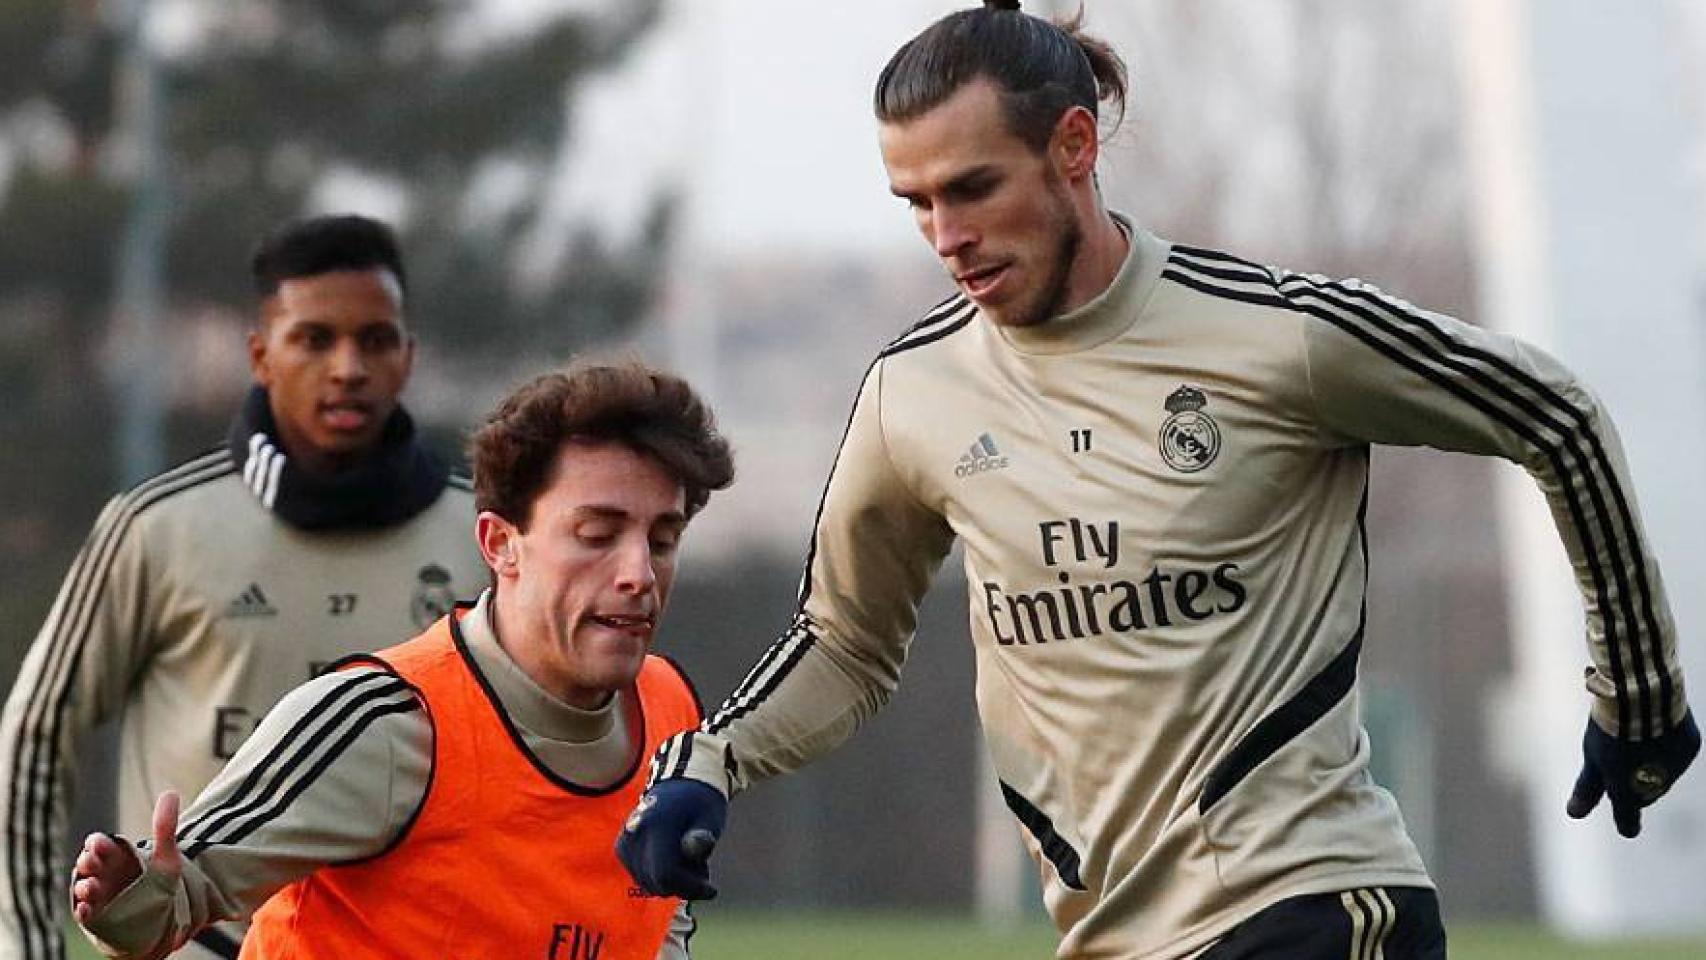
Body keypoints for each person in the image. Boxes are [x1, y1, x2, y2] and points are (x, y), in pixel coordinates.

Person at [617, 2, 1700, 958]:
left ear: (1074, 145)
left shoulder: (1279, 338)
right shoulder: (916, 395)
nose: (944, 235)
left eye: (972, 189)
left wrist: (1637, 689)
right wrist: (709, 759)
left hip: (1311, 904)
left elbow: (1550, 413)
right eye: (915, 202)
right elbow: (847, 641)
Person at [67, 360, 734, 959]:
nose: (639, 573)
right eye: (598, 534)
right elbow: (180, 890)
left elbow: (656, 932)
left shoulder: (672, 715)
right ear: (501, 544)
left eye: (663, 539)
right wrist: (132, 894)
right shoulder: (383, 720)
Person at [0, 214, 487, 960]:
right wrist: (27, 947)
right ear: (261, 355)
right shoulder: (157, 527)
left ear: (409, 357)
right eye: (316, 339)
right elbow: (36, 734)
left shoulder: (485, 536)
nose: (349, 366)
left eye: (375, 339)